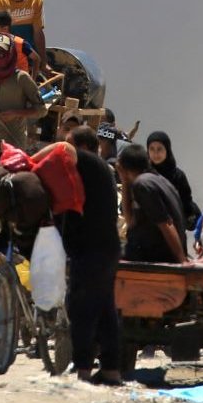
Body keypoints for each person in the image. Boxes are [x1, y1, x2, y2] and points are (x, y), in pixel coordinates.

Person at [61, 125, 123, 385]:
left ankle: (83, 368)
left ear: (84, 147)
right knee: (106, 310)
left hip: (90, 250)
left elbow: (62, 151)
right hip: (106, 249)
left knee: (82, 309)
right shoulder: (101, 170)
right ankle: (110, 369)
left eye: (69, 143)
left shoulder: (87, 162)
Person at [118, 144, 188, 264]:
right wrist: (125, 181)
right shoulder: (160, 180)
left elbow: (166, 224)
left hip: (154, 257)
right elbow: (131, 222)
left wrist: (181, 260)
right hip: (161, 254)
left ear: (123, 168)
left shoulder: (142, 185)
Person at [143, 132, 200, 230]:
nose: (155, 153)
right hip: (148, 229)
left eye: (159, 149)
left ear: (167, 150)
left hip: (174, 228)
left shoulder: (178, 176)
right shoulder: (143, 174)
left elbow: (186, 201)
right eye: (151, 149)